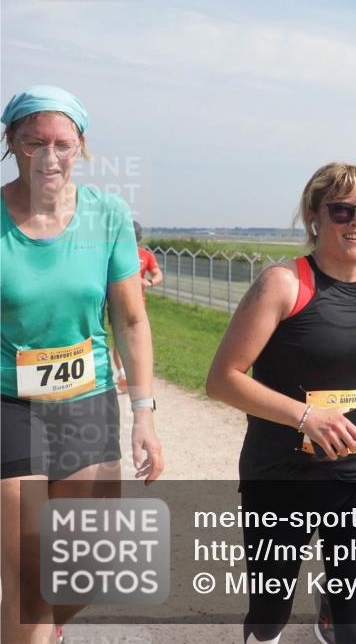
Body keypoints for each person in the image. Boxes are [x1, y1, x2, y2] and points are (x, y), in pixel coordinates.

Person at [205, 162, 356, 644]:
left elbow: (351, 360)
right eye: (343, 210)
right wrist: (305, 417)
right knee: (270, 613)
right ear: (314, 216)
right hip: (283, 479)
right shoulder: (284, 283)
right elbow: (222, 380)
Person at [0, 85, 165, 644]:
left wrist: (144, 413)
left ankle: (45, 630)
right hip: (9, 402)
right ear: (11, 143)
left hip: (87, 399)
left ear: (82, 147)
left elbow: (131, 320)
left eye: (62, 144)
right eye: (33, 143)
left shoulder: (108, 214)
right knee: (28, 579)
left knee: (82, 573)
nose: (49, 157)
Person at [112, 220, 163, 393]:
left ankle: (137, 375)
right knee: (120, 339)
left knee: (136, 338)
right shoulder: (113, 253)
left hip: (139, 303)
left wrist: (149, 282)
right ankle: (123, 374)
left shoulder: (146, 255)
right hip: (116, 303)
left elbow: (158, 274)